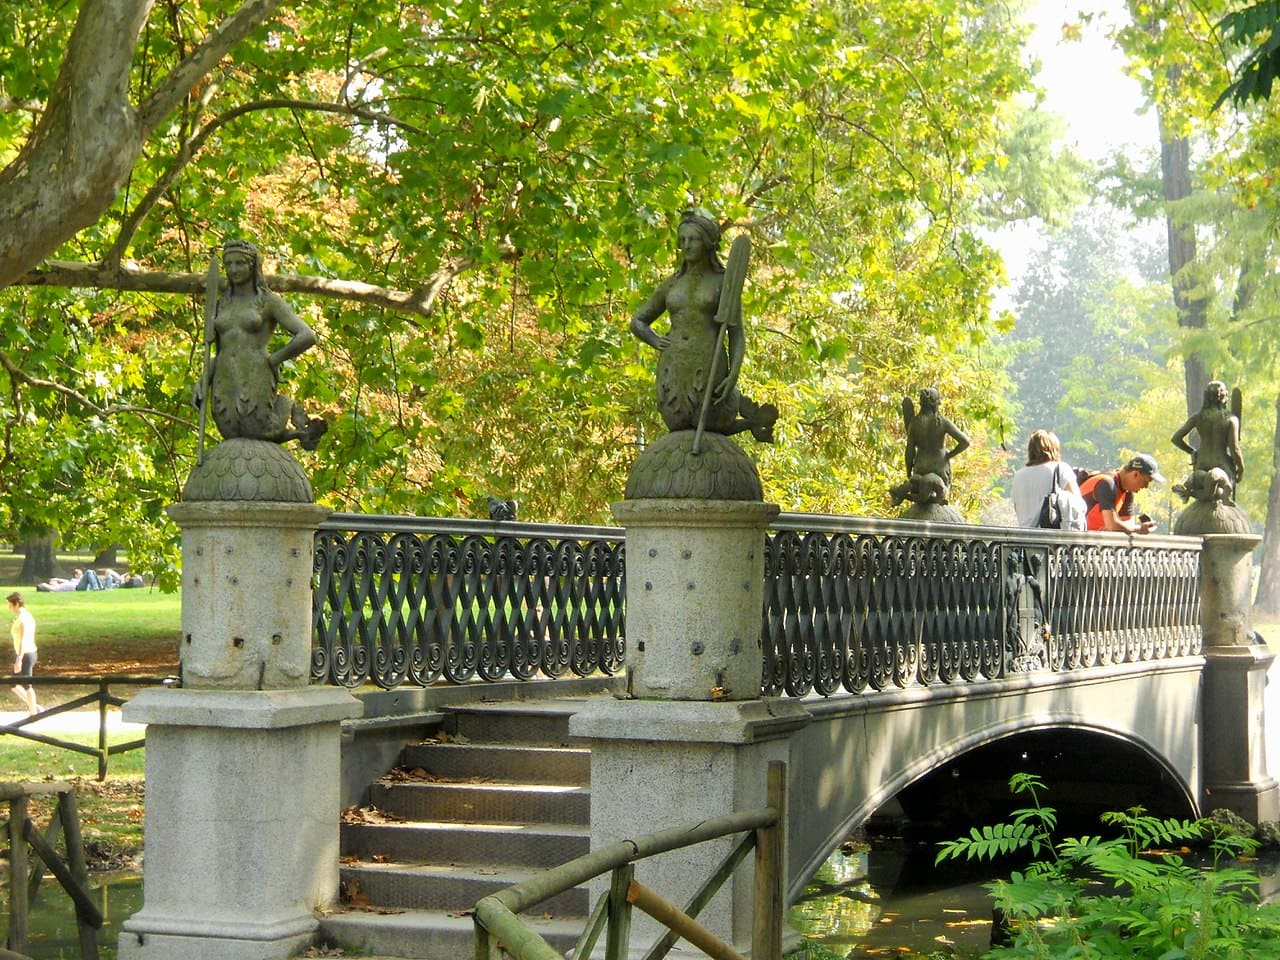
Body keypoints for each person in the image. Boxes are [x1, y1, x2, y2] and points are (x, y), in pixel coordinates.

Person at [630, 210, 777, 441]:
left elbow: (736, 332)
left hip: (709, 362)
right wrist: (655, 340)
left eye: (693, 239)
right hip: (674, 364)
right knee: (677, 422)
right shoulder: (672, 284)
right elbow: (638, 321)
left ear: (707, 243)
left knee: (710, 419)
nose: (686, 246)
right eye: (683, 240)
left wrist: (734, 372)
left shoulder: (723, 283)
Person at [194, 238, 328, 450]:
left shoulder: (269, 301)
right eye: (229, 264)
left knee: (256, 428)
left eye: (240, 263)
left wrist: (273, 360)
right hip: (225, 376)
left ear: (252, 265)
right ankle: (290, 431)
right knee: (231, 432)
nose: (234, 269)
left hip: (256, 372)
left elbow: (306, 335)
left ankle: (286, 405)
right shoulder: (222, 304)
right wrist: (203, 381)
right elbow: (218, 351)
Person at [889, 388, 970, 506]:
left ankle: (905, 491)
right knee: (940, 490)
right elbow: (965, 442)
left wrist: (908, 471)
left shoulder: (914, 423)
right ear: (936, 404)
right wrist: (948, 455)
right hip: (940, 468)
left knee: (916, 483)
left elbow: (909, 452)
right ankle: (935, 496)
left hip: (921, 468)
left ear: (921, 403)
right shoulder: (943, 422)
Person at [1171, 380, 1244, 504]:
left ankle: (1190, 492)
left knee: (1201, 488)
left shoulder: (1198, 417)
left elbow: (1176, 438)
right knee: (1225, 489)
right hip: (1223, 466)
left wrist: (1192, 451)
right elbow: (1234, 449)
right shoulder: (1231, 419)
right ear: (1224, 397)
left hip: (1201, 465)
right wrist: (1241, 468)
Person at [1010, 429, 1086, 529]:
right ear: (1054, 449)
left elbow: (1017, 508)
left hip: (1025, 538)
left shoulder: (1018, 476)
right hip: (1052, 538)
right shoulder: (1060, 469)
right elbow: (1079, 505)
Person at [1080, 454, 1165, 533]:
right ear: (1136, 474)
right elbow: (1113, 526)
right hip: (1075, 539)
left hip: (1096, 542)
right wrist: (1139, 528)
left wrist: (1118, 526)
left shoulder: (1127, 492)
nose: (1146, 486)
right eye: (1146, 481)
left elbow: (1129, 522)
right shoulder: (1107, 483)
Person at [8, 591, 38, 715]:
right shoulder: (26, 615)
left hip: (26, 653)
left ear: (16, 604)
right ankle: (34, 706)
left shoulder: (23, 619)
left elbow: (23, 640)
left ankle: (34, 712)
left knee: (27, 684)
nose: (9, 607)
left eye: (10, 605)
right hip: (25, 653)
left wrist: (19, 658)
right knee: (13, 683)